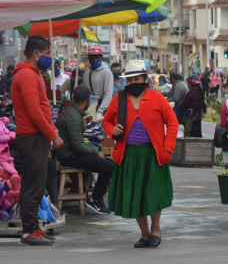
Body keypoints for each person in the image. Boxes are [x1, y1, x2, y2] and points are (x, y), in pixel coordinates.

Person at [102, 60, 178, 248]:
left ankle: (156, 229)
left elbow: (173, 123)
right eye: (130, 80)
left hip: (152, 155)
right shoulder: (119, 99)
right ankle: (144, 233)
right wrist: (113, 131)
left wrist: (167, 149)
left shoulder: (157, 98)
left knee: (152, 194)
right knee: (134, 195)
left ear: (145, 79)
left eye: (137, 79)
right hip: (128, 156)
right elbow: (106, 121)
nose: (133, 83)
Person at [12, 35, 64, 246]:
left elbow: (42, 108)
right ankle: (28, 231)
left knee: (36, 183)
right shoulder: (26, 75)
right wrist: (53, 135)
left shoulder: (33, 74)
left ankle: (33, 228)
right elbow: (35, 113)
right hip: (31, 137)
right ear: (36, 53)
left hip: (37, 137)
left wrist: (50, 131)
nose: (50, 57)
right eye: (49, 53)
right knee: (32, 185)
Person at [55, 85, 114, 215]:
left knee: (109, 163)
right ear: (88, 100)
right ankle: (95, 199)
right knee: (108, 166)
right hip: (69, 156)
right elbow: (77, 145)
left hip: (71, 153)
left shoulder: (72, 112)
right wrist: (95, 152)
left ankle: (96, 198)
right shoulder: (73, 117)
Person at [83, 47, 113, 121]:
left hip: (102, 109)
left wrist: (100, 111)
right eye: (91, 58)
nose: (94, 60)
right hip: (89, 108)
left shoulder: (106, 72)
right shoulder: (87, 75)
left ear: (101, 58)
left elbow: (108, 94)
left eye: (96, 57)